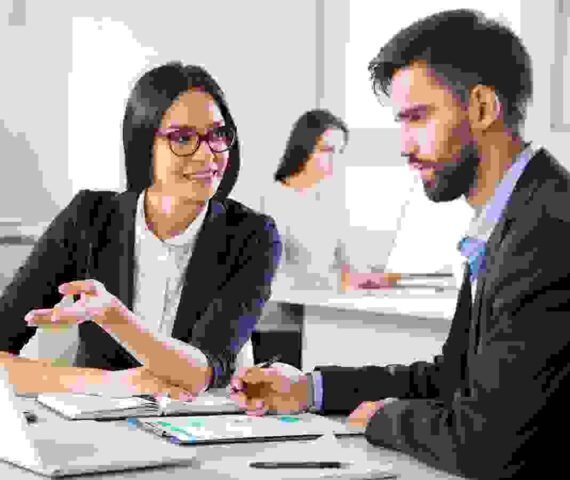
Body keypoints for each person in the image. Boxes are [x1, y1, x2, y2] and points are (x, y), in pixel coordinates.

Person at [230, 9, 570, 479]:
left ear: (482, 107)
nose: (404, 146)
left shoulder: (548, 228)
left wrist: (385, 418)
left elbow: (487, 443)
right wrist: (310, 389)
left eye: (417, 118)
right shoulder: (508, 219)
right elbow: (451, 378)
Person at [0, 62, 282, 399]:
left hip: (206, 422)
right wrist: (109, 383)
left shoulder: (252, 235)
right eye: (183, 138)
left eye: (217, 134)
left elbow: (201, 372)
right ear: (144, 142)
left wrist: (113, 317)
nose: (207, 154)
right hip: (95, 423)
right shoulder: (88, 216)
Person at [267, 109, 349, 291]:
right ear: (304, 148)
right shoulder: (275, 203)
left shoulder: (328, 200)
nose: (335, 160)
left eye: (339, 151)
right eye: (327, 150)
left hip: (326, 300)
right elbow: (274, 279)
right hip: (290, 304)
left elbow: (343, 264)